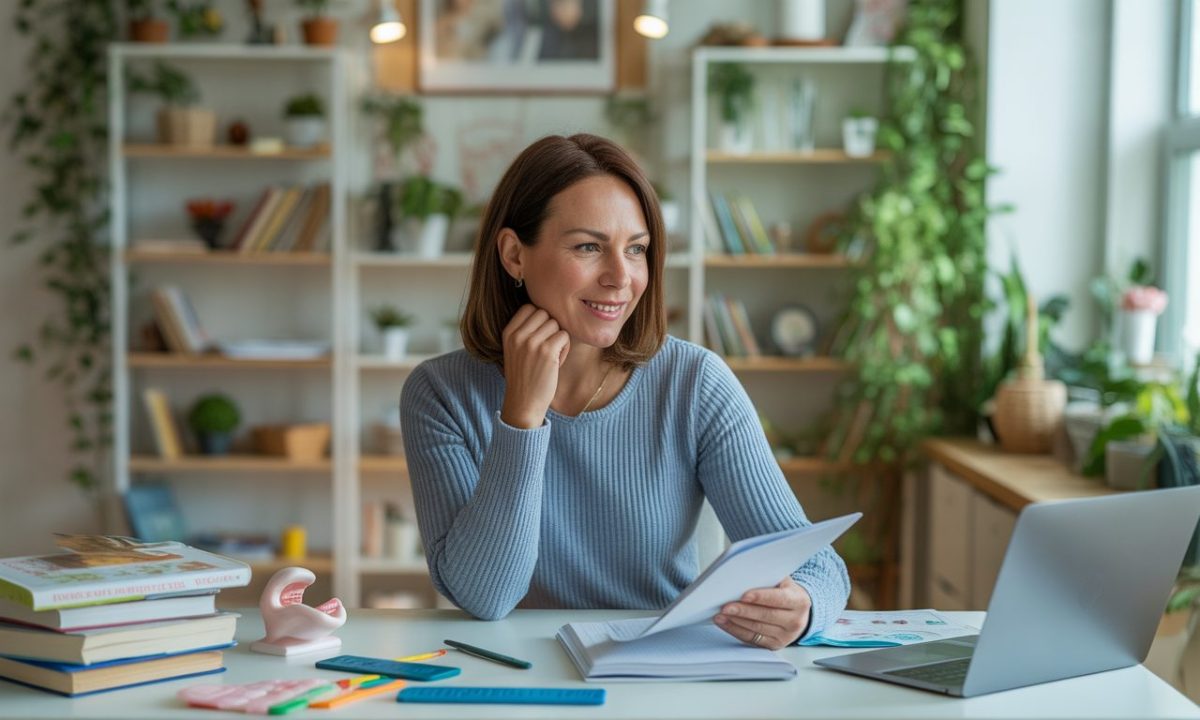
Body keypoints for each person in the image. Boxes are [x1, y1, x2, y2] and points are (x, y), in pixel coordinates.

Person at [400, 134, 849, 649]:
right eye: (588, 247)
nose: (621, 277)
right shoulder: (440, 395)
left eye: (636, 249)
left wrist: (804, 607)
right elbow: (486, 596)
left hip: (661, 670)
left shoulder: (695, 383)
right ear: (514, 255)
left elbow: (819, 566)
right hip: (521, 673)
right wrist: (521, 419)